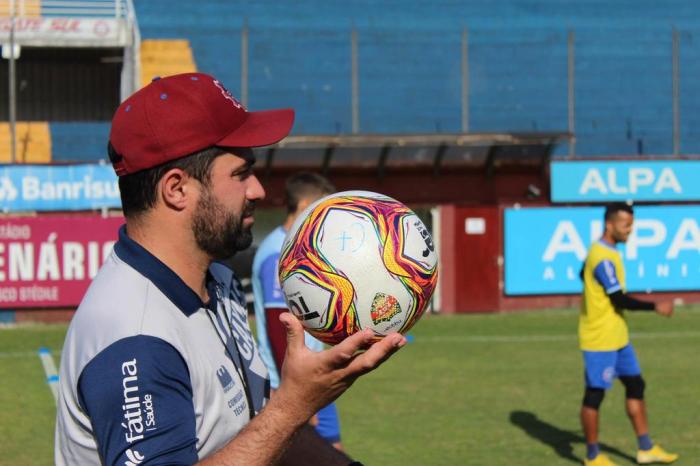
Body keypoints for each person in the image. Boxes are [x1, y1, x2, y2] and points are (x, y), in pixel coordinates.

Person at [55, 72, 406, 466]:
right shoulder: (136, 338)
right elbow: (274, 422)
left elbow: (254, 429)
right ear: (177, 189)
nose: (258, 190)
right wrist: (294, 405)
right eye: (241, 174)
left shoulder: (217, 281)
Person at [578, 203, 678, 466]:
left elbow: (582, 273)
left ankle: (645, 449)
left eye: (631, 225)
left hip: (618, 336)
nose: (630, 231)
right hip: (599, 339)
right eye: (626, 225)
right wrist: (655, 306)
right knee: (595, 394)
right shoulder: (602, 257)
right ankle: (592, 456)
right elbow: (618, 299)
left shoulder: (604, 251)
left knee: (636, 385)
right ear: (610, 224)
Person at [252, 172, 343, 450]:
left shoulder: (301, 247)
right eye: (321, 208)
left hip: (311, 374)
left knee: (333, 453)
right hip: (291, 383)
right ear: (304, 206)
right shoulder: (278, 253)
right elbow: (279, 324)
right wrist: (295, 392)